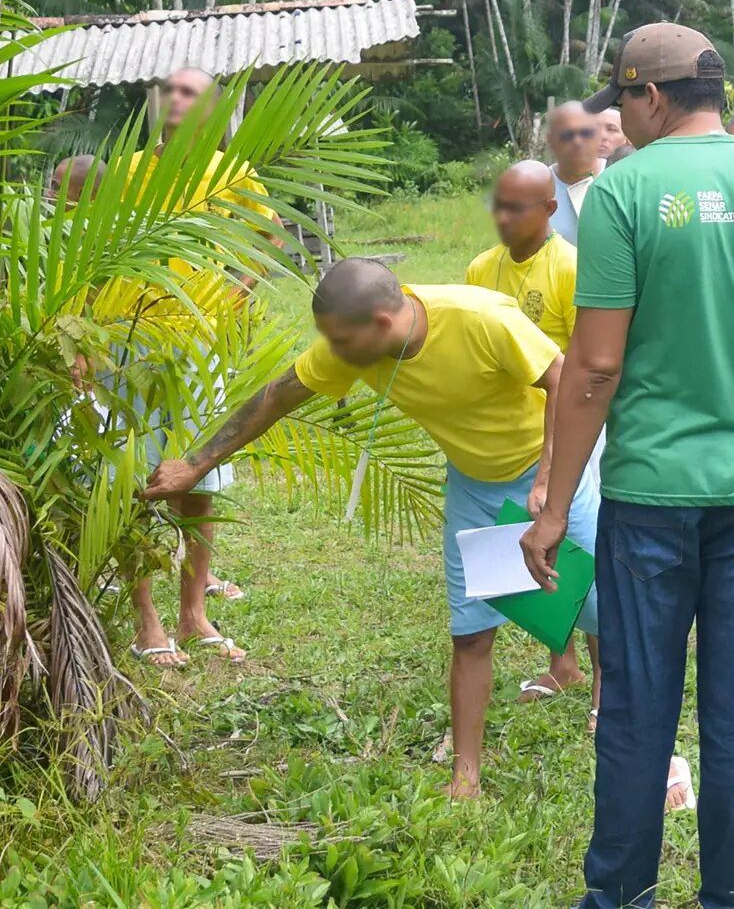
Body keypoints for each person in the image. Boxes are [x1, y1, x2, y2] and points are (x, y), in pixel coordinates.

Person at [519, 23, 734, 906]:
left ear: (651, 97)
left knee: (638, 715)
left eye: (620, 105)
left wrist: (553, 508)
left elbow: (594, 367)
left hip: (649, 498)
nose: (614, 127)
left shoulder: (625, 192)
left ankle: (622, 895)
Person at [141, 258, 602, 799]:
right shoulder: (354, 348)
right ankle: (466, 775)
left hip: (558, 467)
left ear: (382, 324)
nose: (330, 352)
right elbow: (277, 396)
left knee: (600, 604)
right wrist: (197, 464)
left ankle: (605, 701)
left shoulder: (480, 318)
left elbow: (565, 381)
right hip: (474, 483)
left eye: (339, 339)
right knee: (472, 629)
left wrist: (550, 480)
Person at [120, 67, 281, 667]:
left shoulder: (233, 174)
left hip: (199, 348)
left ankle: (193, 613)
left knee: (199, 478)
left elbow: (270, 239)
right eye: (168, 89)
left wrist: (235, 291)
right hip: (131, 339)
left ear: (214, 110)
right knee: (131, 477)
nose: (174, 99)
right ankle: (146, 621)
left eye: (190, 92)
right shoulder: (130, 170)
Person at [464, 160, 601, 722]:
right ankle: (560, 663)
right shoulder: (480, 269)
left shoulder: (573, 267)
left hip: (573, 429)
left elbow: (581, 369)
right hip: (512, 434)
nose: (502, 217)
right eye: (497, 205)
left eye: (516, 208)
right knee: (525, 548)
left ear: (549, 210)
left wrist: (552, 468)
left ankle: (603, 690)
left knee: (584, 555)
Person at [545, 103, 601, 244]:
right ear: (550, 140)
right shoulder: (539, 186)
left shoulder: (617, 176)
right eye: (567, 135)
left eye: (586, 133)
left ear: (598, 135)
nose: (577, 142)